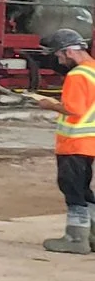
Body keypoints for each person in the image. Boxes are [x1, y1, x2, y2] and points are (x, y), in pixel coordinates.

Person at [32, 29, 95, 252]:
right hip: (89, 143)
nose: (59, 60)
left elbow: (73, 109)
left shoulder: (78, 75)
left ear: (69, 51)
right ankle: (91, 235)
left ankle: (75, 239)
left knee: (72, 188)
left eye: (59, 56)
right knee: (83, 188)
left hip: (74, 142)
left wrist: (49, 104)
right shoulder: (93, 71)